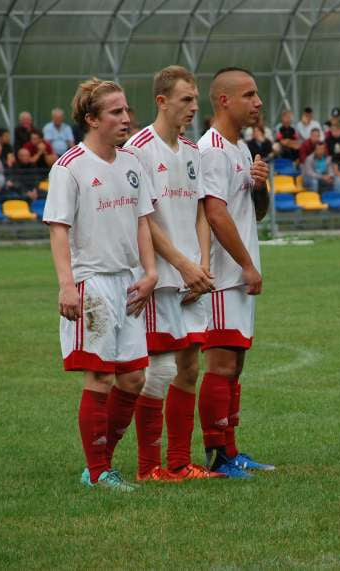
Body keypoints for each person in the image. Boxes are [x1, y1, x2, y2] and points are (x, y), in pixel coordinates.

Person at [42, 77, 158, 492]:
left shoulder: (132, 163)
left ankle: (101, 464)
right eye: (115, 112)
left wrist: (151, 272)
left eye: (126, 110)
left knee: (133, 379)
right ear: (91, 119)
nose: (126, 118)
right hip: (91, 284)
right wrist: (66, 285)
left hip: (129, 282)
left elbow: (143, 221)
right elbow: (58, 230)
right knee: (101, 378)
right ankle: (97, 472)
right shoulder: (69, 167)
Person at [123, 65, 222, 482]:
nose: (193, 108)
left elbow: (201, 211)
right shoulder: (137, 149)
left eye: (196, 100)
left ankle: (180, 462)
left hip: (191, 277)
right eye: (186, 100)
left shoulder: (192, 151)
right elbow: (143, 220)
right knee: (159, 370)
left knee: (189, 368)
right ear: (162, 101)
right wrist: (181, 265)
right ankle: (149, 468)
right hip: (160, 278)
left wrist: (201, 263)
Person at [198, 67, 274, 478]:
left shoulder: (241, 150)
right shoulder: (211, 150)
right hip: (224, 277)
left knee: (236, 365)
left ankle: (230, 449)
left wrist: (259, 186)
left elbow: (254, 213)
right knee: (221, 365)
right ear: (224, 100)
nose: (257, 102)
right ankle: (217, 456)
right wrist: (246, 265)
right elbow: (214, 213)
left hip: (240, 274)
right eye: (249, 94)